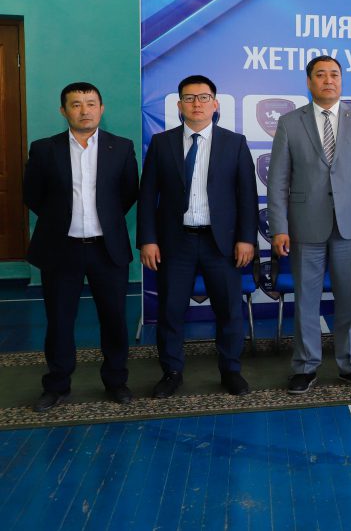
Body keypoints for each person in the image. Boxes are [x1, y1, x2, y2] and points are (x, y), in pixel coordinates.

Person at [267, 55, 351, 393]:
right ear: (309, 82)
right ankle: (305, 366)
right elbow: (277, 181)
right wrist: (279, 227)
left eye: (334, 74)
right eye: (320, 75)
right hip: (305, 225)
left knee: (350, 299)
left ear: (341, 80)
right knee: (306, 300)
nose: (328, 80)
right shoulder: (290, 122)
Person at [137, 75, 258, 397]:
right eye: (189, 98)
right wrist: (148, 239)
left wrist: (246, 238)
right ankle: (171, 372)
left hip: (222, 244)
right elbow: (147, 195)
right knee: (171, 311)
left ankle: (230, 370)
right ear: (179, 105)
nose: (196, 104)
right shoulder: (162, 143)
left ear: (215, 104)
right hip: (175, 243)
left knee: (229, 311)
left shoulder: (235, 143)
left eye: (203, 98)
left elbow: (247, 196)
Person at [24, 83, 138, 411]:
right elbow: (33, 195)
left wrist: (106, 221)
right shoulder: (44, 149)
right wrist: (61, 219)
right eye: (75, 104)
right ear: (64, 111)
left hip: (107, 249)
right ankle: (57, 385)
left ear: (102, 109)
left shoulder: (121, 147)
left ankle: (116, 381)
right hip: (61, 249)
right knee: (60, 321)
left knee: (114, 319)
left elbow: (128, 193)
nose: (84, 110)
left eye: (90, 103)